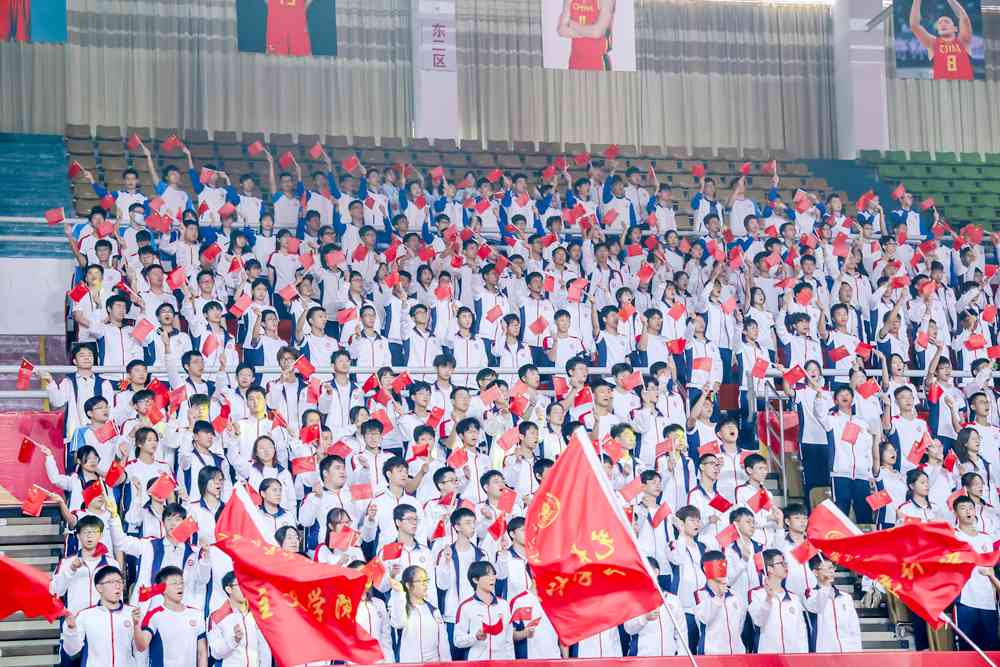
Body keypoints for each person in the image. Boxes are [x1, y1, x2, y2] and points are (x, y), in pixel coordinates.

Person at [61, 565, 139, 666]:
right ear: (99, 588)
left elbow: (140, 650)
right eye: (111, 582)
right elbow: (72, 651)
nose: (118, 586)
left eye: (120, 582)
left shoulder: (133, 612)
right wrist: (71, 630)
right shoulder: (86, 615)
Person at [133, 566, 209, 666]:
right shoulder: (154, 615)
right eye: (174, 583)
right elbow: (141, 646)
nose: (180, 586)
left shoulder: (196, 615)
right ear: (162, 588)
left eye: (181, 582)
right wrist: (136, 625)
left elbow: (202, 653)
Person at [748, 549, 808, 654]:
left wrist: (803, 655)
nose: (786, 566)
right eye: (781, 563)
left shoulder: (794, 598)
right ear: (769, 569)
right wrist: (768, 599)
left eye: (785, 563)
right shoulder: (756, 594)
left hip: (793, 656)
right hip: (768, 656)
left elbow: (801, 631)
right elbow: (758, 622)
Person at [207, 571, 272, 666]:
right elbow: (216, 653)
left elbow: (264, 648)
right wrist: (234, 640)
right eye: (240, 585)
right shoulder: (217, 617)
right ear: (229, 589)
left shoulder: (257, 614)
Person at [388, 565, 451, 662]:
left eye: (426, 580)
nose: (425, 584)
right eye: (421, 581)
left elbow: (443, 643)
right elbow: (398, 623)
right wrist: (399, 593)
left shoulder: (434, 610)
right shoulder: (401, 606)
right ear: (408, 585)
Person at [804, 556, 862, 653]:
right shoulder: (810, 594)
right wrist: (825, 585)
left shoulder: (845, 597)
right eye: (826, 568)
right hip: (825, 652)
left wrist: (857, 650)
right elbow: (818, 607)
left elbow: (854, 627)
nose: (831, 571)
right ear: (815, 572)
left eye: (831, 568)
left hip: (848, 650)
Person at [909, 0, 974, 80]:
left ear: (955, 29)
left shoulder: (963, 42)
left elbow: (964, 18)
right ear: (938, 30)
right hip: (941, 87)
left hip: (965, 85)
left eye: (946, 22)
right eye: (940, 23)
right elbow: (914, 25)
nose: (943, 24)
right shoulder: (933, 44)